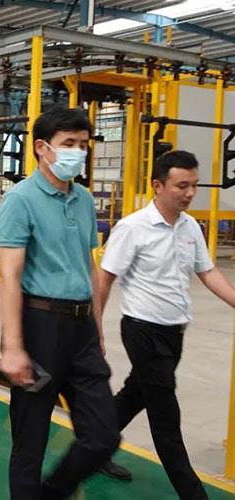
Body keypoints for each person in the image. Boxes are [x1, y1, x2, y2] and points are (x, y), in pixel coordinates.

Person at [0, 106, 120, 500]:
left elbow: (88, 264)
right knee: (30, 441)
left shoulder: (83, 199)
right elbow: (9, 276)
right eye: (69, 144)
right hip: (39, 327)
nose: (77, 152)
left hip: (82, 330)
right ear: (41, 148)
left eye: (82, 144)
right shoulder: (20, 200)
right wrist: (13, 347)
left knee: (103, 436)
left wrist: (97, 328)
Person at [99, 150, 235, 499]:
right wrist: (94, 328)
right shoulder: (132, 228)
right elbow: (105, 278)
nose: (190, 193)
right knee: (165, 417)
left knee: (135, 394)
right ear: (158, 186)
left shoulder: (190, 227)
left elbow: (207, 271)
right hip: (142, 330)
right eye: (181, 186)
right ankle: (193, 494)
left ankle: (93, 444)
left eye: (194, 185)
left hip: (174, 331)